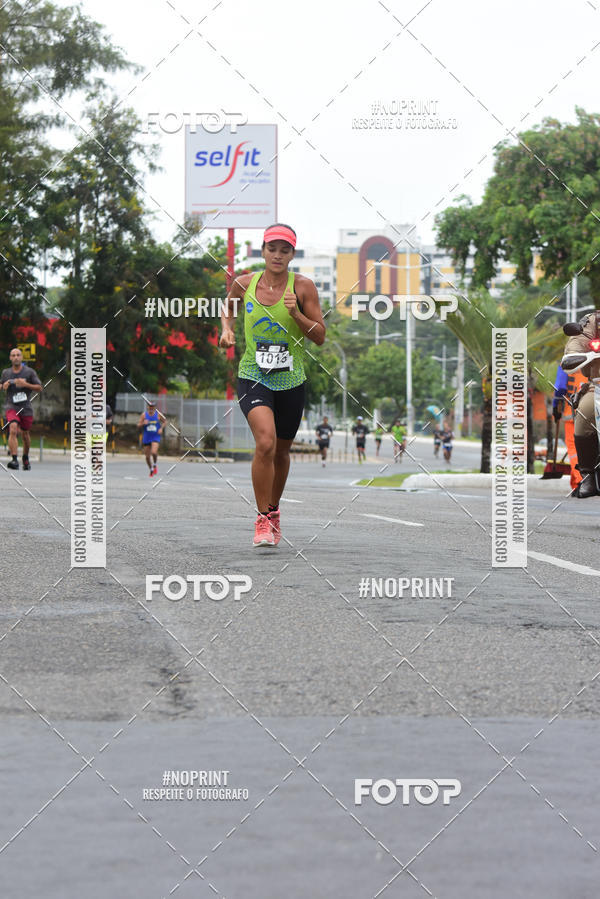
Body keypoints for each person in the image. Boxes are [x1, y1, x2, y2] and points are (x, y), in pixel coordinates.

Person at [220, 223, 325, 546]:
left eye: (285, 250)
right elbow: (228, 309)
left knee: (281, 451)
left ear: (293, 254)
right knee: (264, 442)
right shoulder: (244, 284)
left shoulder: (304, 288)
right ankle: (262, 520)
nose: (278, 255)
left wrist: (296, 315)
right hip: (254, 374)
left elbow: (319, 336)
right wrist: (227, 330)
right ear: (262, 251)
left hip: (291, 379)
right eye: (272, 249)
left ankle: (274, 509)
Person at [1, 347, 42, 470]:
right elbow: (1, 385)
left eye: (18, 355)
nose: (15, 357)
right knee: (13, 428)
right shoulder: (6, 373)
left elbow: (39, 388)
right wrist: (4, 385)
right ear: (10, 358)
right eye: (13, 355)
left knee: (25, 434)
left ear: (22, 357)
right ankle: (14, 460)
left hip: (26, 408)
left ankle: (25, 457)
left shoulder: (30, 372)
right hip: (11, 406)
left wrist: (25, 384)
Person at [138, 399, 164, 477]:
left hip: (155, 436)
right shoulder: (144, 415)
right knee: (147, 457)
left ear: (155, 407)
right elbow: (138, 425)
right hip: (146, 437)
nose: (151, 408)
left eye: (153, 406)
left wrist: (161, 428)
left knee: (154, 452)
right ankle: (151, 469)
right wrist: (143, 423)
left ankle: (155, 464)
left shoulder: (158, 414)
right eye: (150, 406)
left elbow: (165, 421)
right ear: (148, 407)